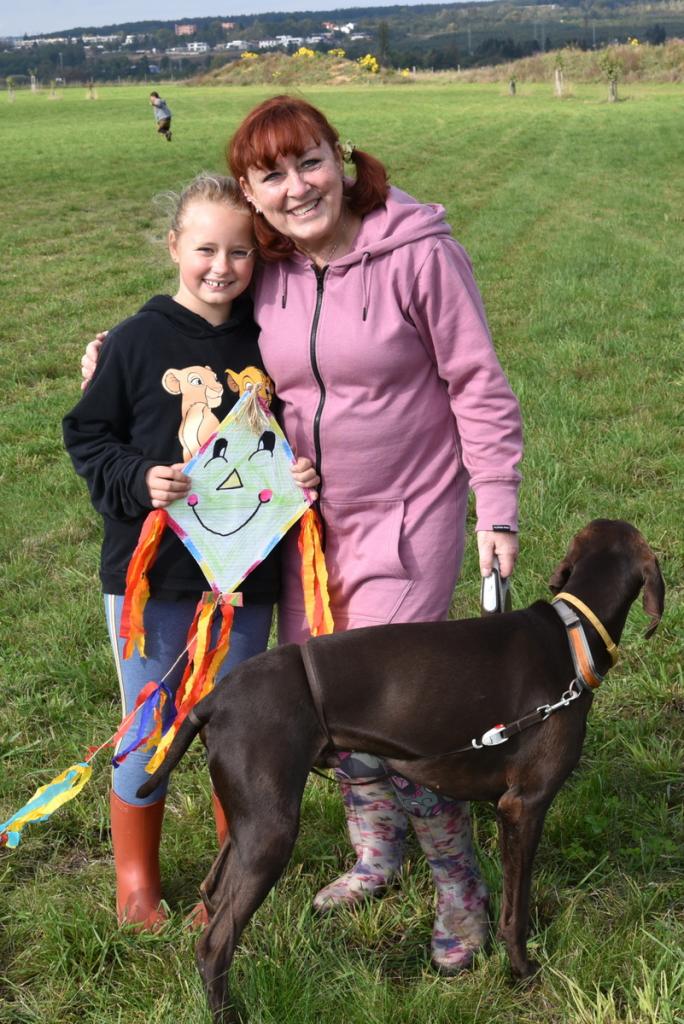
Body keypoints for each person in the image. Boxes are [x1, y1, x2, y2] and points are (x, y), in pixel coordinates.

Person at [81, 96, 523, 972]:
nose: (296, 188)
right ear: (252, 195)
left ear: (340, 158)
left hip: (407, 520)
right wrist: (117, 352)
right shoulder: (272, 268)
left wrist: (498, 506)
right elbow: (199, 321)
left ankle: (460, 887)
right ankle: (375, 855)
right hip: (301, 534)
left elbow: (477, 383)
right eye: (271, 177)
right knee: (327, 706)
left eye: (309, 162)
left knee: (403, 712)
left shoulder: (418, 254)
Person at [65, 172, 318, 931]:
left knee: (238, 727)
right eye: (205, 249)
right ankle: (136, 883)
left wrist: (301, 473)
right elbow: (87, 435)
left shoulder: (266, 340)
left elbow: (288, 434)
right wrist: (137, 478)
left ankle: (231, 870)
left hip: (241, 579)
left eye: (240, 252)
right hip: (153, 583)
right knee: (150, 728)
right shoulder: (135, 341)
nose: (221, 266)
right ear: (175, 245)